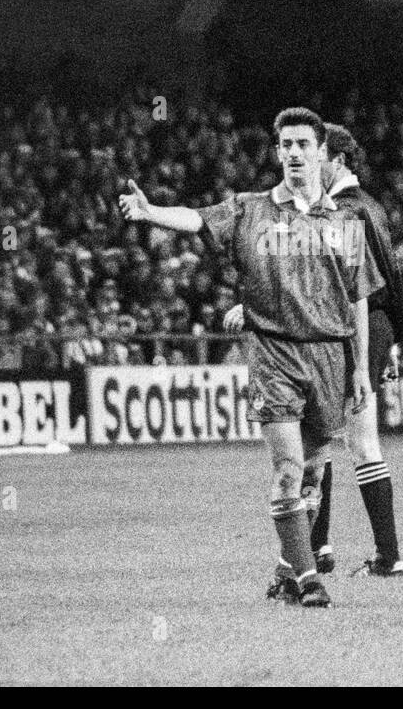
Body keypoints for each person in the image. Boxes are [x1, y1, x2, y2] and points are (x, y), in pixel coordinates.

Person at [119, 108, 380, 608]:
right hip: (273, 355)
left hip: (329, 358)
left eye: (304, 144)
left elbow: (358, 298)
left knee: (313, 473)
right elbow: (197, 219)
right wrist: (153, 213)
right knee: (287, 466)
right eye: (286, 145)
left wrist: (362, 368)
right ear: (277, 151)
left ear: (322, 152)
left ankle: (287, 568)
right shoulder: (250, 210)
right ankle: (307, 580)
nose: (295, 153)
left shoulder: (347, 222)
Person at [223, 123, 403, 576]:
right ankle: (320, 549)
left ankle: (373, 554)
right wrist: (394, 337)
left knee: (346, 442)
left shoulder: (345, 212)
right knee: (326, 440)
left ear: (335, 159)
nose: (302, 160)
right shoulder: (366, 208)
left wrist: (256, 308)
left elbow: (346, 286)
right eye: (291, 147)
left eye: (312, 151)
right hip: (363, 326)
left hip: (345, 329)